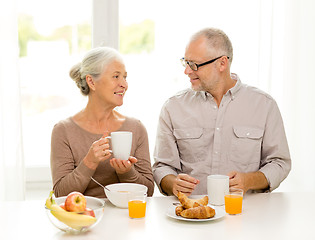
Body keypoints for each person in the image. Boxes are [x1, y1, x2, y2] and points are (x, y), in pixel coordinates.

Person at [152, 28, 291, 196]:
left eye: (194, 64)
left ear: (222, 63)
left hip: (246, 215)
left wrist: (248, 181)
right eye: (185, 62)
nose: (187, 71)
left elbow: (279, 163)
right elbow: (162, 166)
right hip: (191, 216)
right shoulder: (173, 107)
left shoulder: (264, 105)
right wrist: (172, 183)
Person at [51, 47, 154, 198]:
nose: (124, 84)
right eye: (116, 76)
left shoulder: (136, 128)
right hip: (84, 218)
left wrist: (126, 172)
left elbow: (149, 191)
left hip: (127, 218)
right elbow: (60, 194)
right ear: (91, 82)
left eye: (125, 77)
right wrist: (89, 162)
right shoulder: (63, 130)